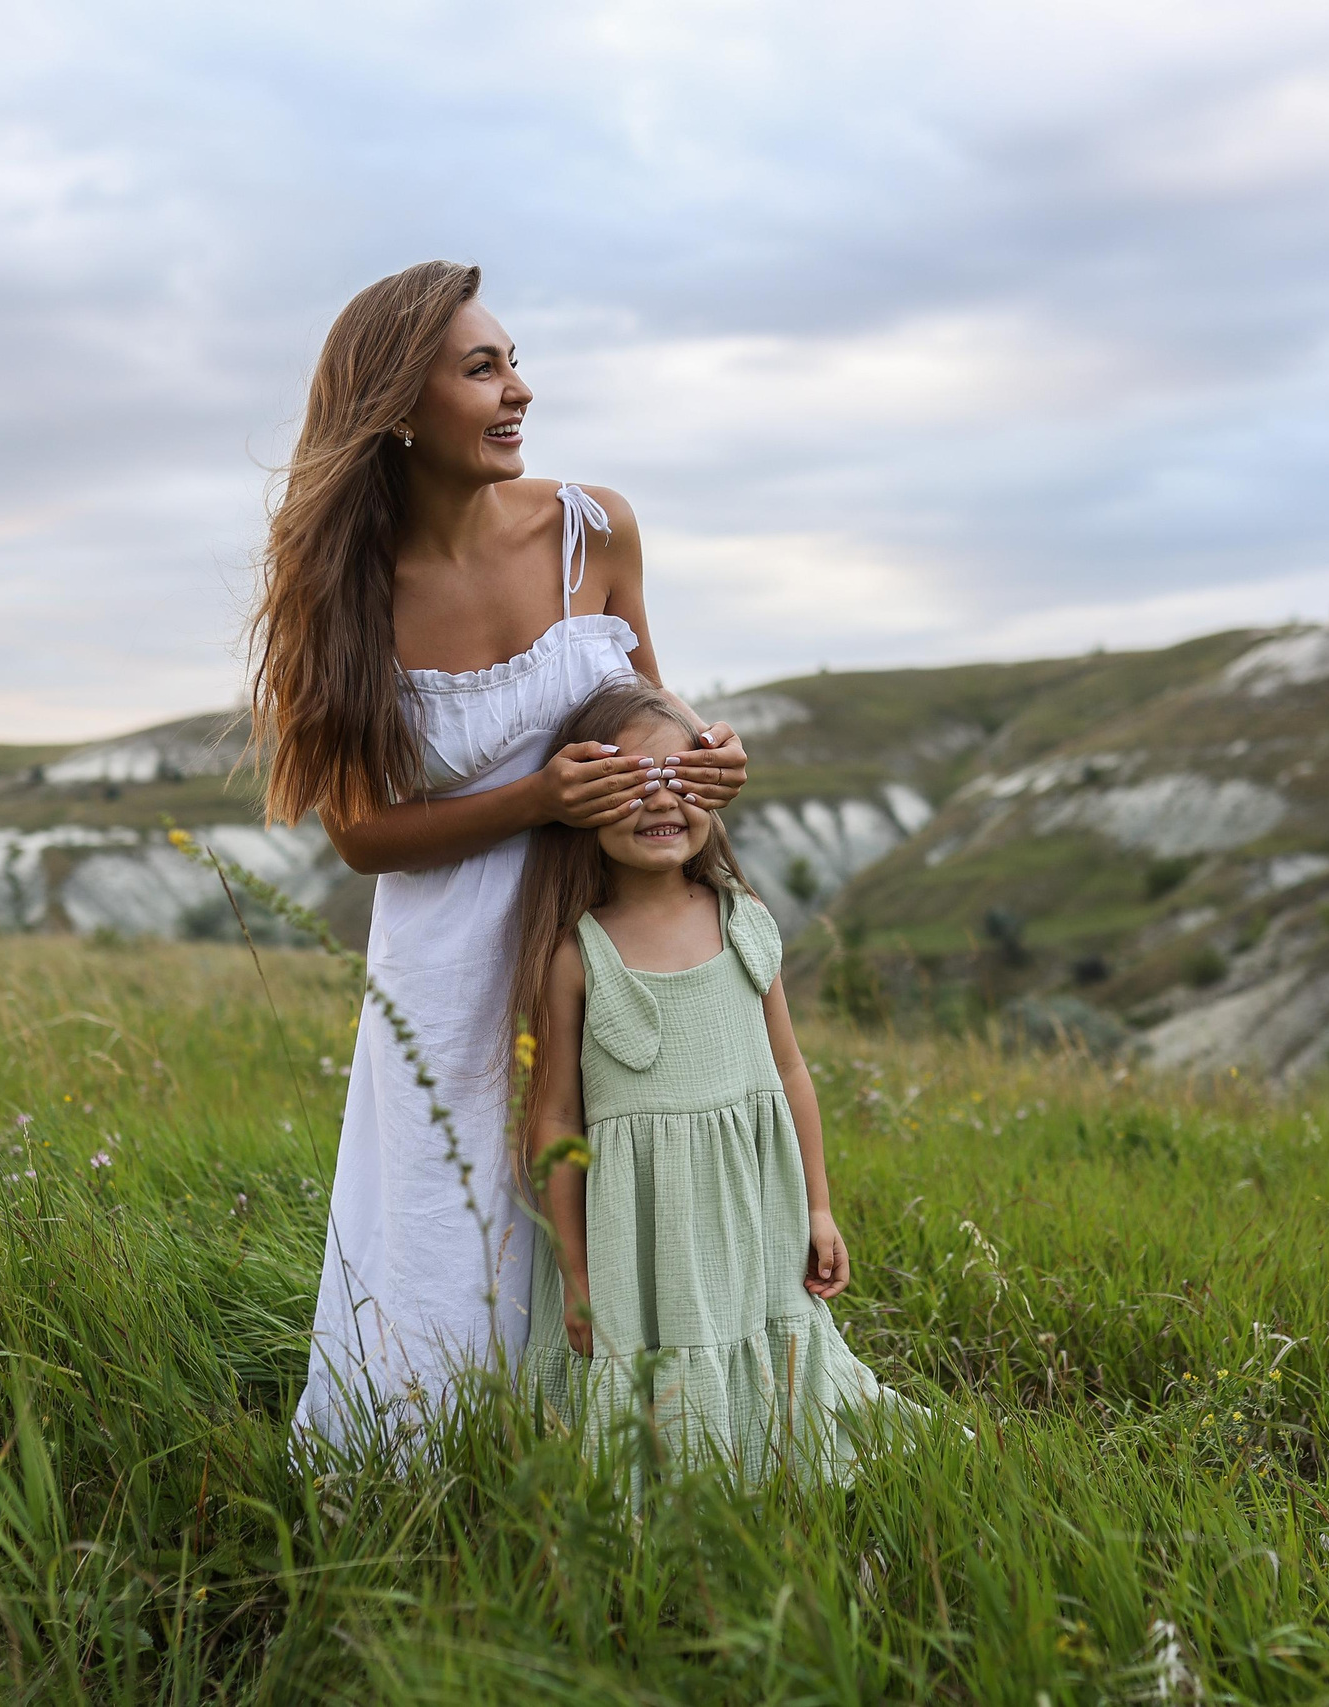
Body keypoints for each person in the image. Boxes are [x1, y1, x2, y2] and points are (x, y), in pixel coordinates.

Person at [249, 261, 750, 1448]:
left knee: (627, 1200)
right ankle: (439, 1482)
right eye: (482, 369)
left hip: (608, 933)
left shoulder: (594, 529)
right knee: (450, 1228)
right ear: (397, 406)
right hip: (448, 969)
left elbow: (648, 721)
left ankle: (662, 1457)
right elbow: (362, 836)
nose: (519, 389)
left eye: (513, 360)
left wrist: (705, 775)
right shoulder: (346, 593)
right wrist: (535, 799)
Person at [510, 679, 921, 1481]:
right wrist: (577, 1269)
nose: (660, 800)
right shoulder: (577, 953)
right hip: (642, 1241)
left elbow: (790, 1072)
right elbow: (554, 1120)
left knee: (774, 1353)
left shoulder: (743, 921)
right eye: (631, 780)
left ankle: (767, 1473)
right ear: (584, 801)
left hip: (752, 1216)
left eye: (680, 778)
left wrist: (821, 1204)